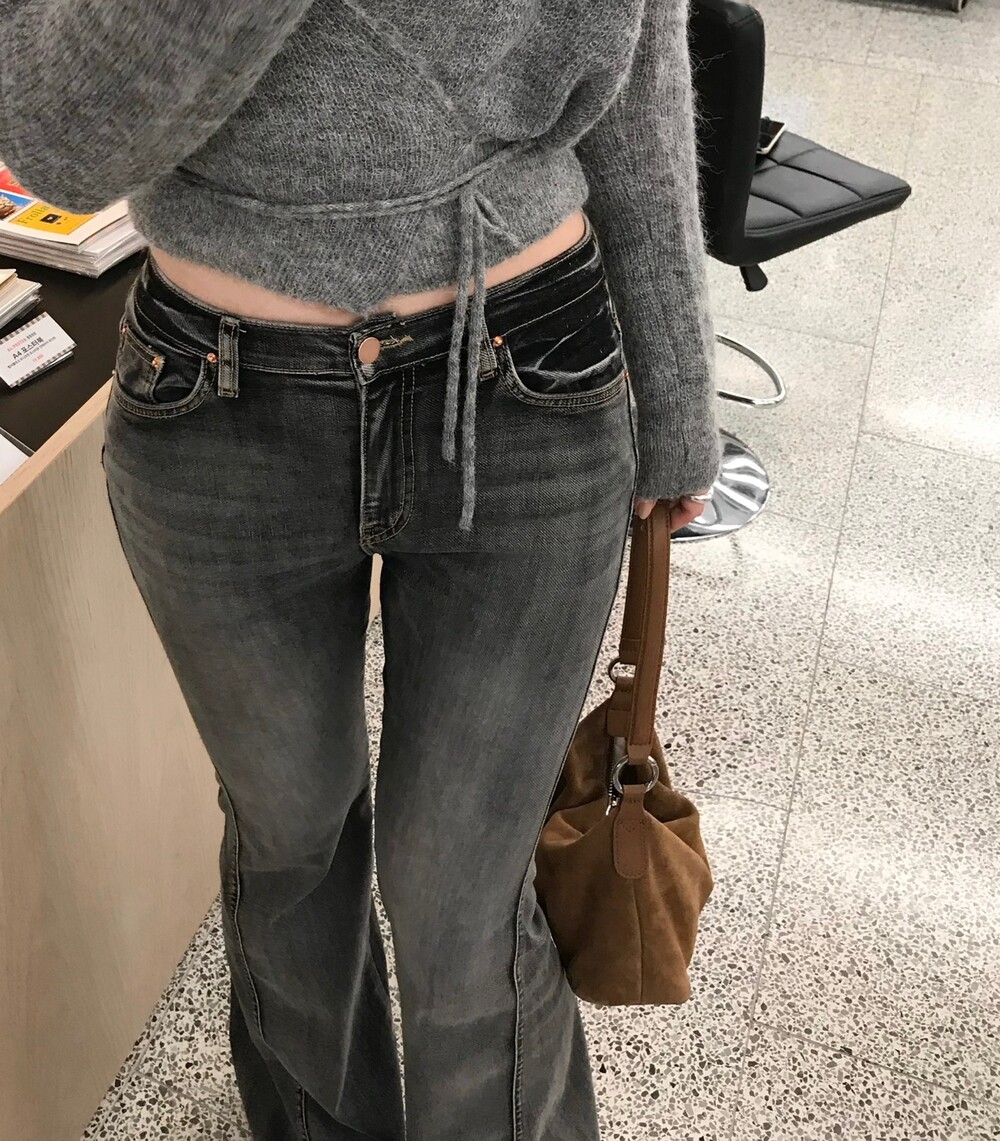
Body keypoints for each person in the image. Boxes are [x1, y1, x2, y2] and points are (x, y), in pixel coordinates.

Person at [1, 1, 719, 1137]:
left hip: (525, 373)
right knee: (294, 849)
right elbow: (63, 140)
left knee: (461, 896)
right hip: (213, 395)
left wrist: (676, 388)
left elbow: (641, 75)